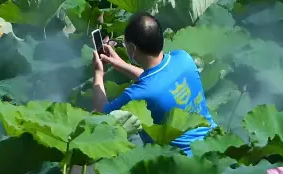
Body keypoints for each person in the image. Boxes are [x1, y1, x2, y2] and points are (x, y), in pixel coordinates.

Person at [92, 12, 215, 152]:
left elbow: (101, 114)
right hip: (214, 142)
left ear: (132, 49)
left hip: (183, 162)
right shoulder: (183, 58)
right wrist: (119, 64)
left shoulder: (137, 94)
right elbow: (156, 81)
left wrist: (98, 74)